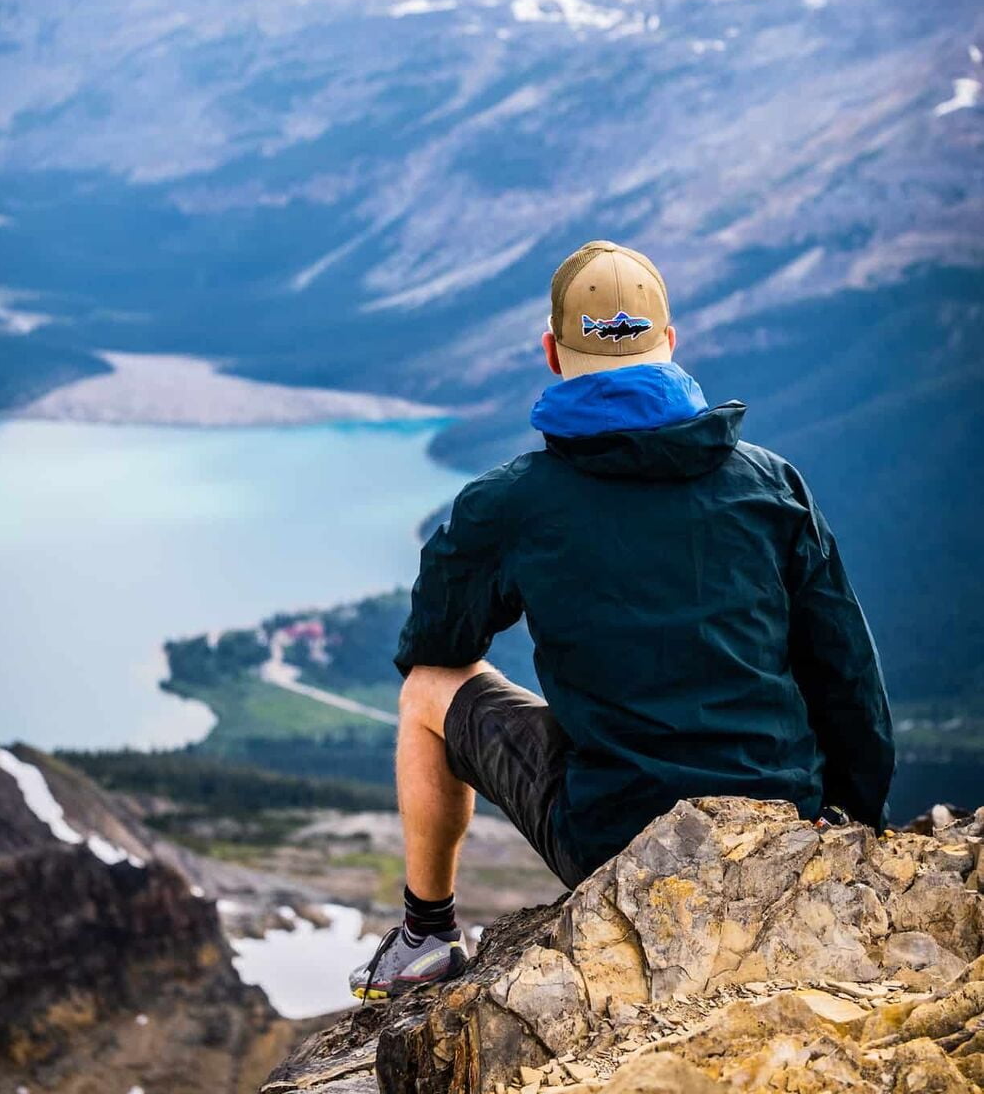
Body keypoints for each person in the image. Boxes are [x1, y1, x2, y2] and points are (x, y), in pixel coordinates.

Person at [349, 240, 895, 1001]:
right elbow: (848, 678)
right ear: (669, 344)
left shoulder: (510, 502)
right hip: (783, 827)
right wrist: (850, 828)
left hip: (615, 843)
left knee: (429, 692)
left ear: (550, 352)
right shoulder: (771, 484)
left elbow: (435, 648)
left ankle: (425, 937)